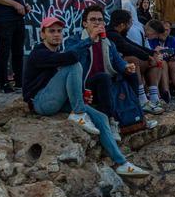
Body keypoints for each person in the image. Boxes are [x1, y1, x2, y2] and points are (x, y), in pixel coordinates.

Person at [22, 14, 148, 178]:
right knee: (73, 63)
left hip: (56, 100)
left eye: (59, 31)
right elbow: (70, 58)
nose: (56, 34)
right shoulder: (39, 53)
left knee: (101, 117)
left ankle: (121, 163)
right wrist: (90, 40)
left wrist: (80, 94)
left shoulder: (58, 52)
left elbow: (61, 80)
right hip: (40, 103)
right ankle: (79, 113)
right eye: (51, 31)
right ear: (42, 34)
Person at [65, 7, 154, 133]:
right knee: (103, 77)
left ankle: (137, 113)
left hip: (106, 83)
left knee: (131, 75)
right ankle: (109, 121)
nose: (97, 23)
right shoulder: (75, 40)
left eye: (100, 20)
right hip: (86, 85)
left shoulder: (107, 42)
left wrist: (126, 67)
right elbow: (69, 56)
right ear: (85, 24)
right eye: (93, 20)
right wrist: (90, 39)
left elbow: (118, 62)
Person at [108, 8, 165, 115]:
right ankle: (142, 100)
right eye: (129, 23)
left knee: (156, 62)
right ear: (121, 25)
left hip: (125, 68)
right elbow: (127, 48)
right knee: (132, 60)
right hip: (116, 69)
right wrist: (147, 57)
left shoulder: (119, 34)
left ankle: (154, 98)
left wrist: (152, 53)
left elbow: (133, 45)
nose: (130, 26)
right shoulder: (111, 34)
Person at [145, 20, 175, 105]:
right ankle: (166, 94)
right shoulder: (152, 38)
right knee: (163, 63)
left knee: (174, 65)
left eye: (167, 30)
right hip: (160, 63)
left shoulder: (172, 39)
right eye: (163, 30)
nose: (165, 32)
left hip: (170, 62)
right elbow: (150, 53)